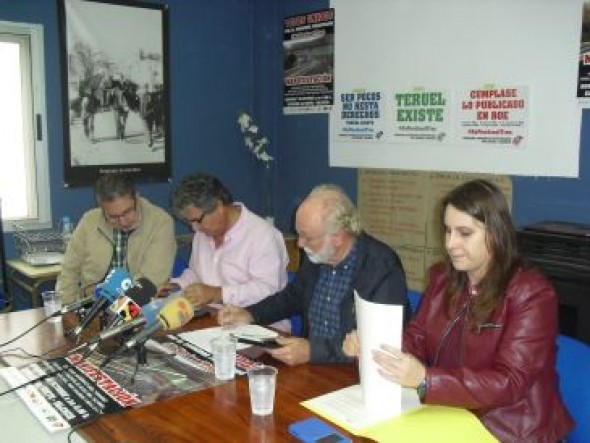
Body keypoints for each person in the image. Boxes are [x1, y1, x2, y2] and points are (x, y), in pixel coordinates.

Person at [343, 179, 574, 442]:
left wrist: (425, 379)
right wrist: (373, 346)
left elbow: (510, 382)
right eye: (447, 231)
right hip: (450, 414)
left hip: (510, 428)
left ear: (496, 233)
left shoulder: (532, 293)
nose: (451, 244)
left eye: (464, 233)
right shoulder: (443, 278)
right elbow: (416, 338)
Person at [218, 184, 408, 366]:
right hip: (312, 368)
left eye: (308, 237)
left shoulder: (381, 267)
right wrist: (250, 314)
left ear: (339, 237)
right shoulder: (317, 255)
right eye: (299, 234)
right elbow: (292, 298)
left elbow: (379, 342)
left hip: (355, 374)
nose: (300, 244)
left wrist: (313, 351)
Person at [159, 173, 290, 331]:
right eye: (189, 222)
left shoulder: (263, 236)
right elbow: (196, 273)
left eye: (197, 220)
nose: (194, 228)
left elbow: (268, 292)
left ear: (219, 206)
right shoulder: (203, 234)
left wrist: (218, 294)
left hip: (259, 326)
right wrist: (177, 286)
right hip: (213, 321)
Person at [56, 173, 176, 305]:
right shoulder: (89, 221)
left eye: (127, 212)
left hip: (141, 308)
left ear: (137, 197)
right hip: (94, 306)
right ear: (101, 208)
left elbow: (150, 283)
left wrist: (114, 314)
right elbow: (68, 271)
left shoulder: (160, 223)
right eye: (113, 217)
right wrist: (66, 308)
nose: (123, 222)